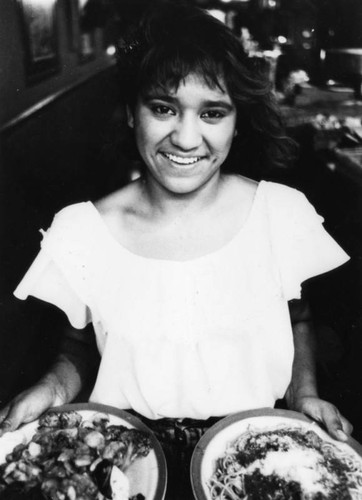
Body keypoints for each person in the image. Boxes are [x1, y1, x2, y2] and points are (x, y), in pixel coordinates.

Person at [0, 2, 353, 498]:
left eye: (212, 112)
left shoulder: (281, 213)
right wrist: (50, 390)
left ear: (236, 121)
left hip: (252, 460)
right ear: (130, 111)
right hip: (127, 464)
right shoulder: (83, 229)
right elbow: (79, 344)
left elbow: (297, 317)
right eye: (163, 107)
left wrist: (307, 394)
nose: (187, 138)